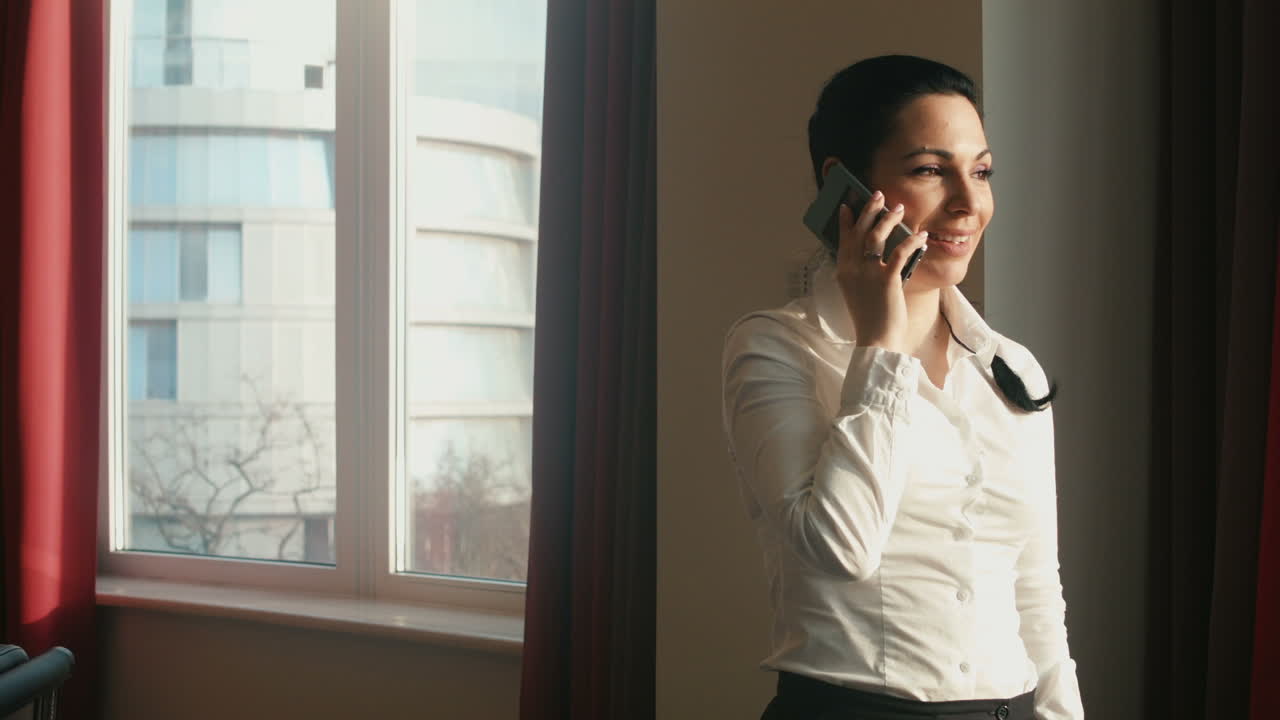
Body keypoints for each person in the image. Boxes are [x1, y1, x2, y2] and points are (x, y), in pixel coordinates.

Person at [720, 55, 1084, 720]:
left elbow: (1035, 590)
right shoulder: (773, 346)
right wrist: (880, 345)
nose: (969, 203)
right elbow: (840, 550)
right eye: (928, 170)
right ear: (846, 187)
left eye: (980, 171)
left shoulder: (1011, 368)